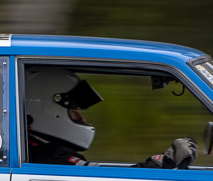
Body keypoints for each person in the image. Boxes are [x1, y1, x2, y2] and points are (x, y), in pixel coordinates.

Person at [23, 68, 198, 168]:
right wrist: (162, 163)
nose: (80, 117)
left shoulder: (32, 150)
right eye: (74, 109)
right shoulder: (48, 156)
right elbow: (102, 179)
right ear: (49, 106)